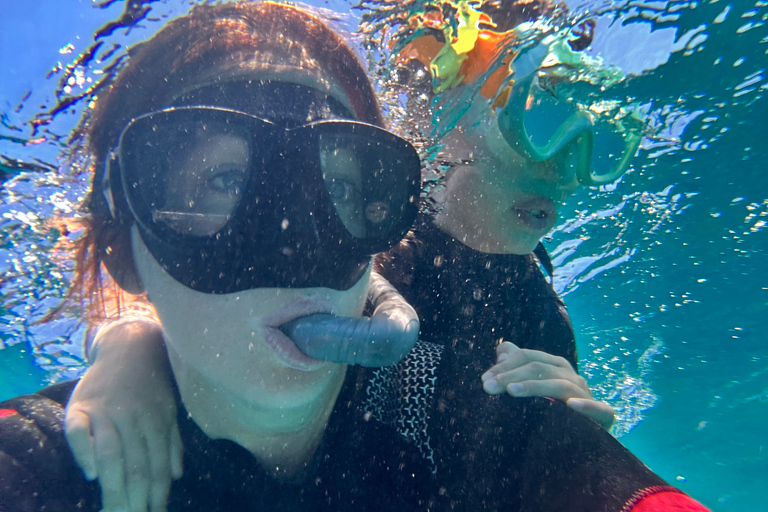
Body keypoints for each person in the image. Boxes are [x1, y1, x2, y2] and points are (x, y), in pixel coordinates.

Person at [7, 1, 709, 512]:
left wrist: (562, 437)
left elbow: (533, 452)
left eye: (341, 184)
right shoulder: (396, 253)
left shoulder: (538, 319)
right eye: (220, 181)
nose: (565, 171)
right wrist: (126, 346)